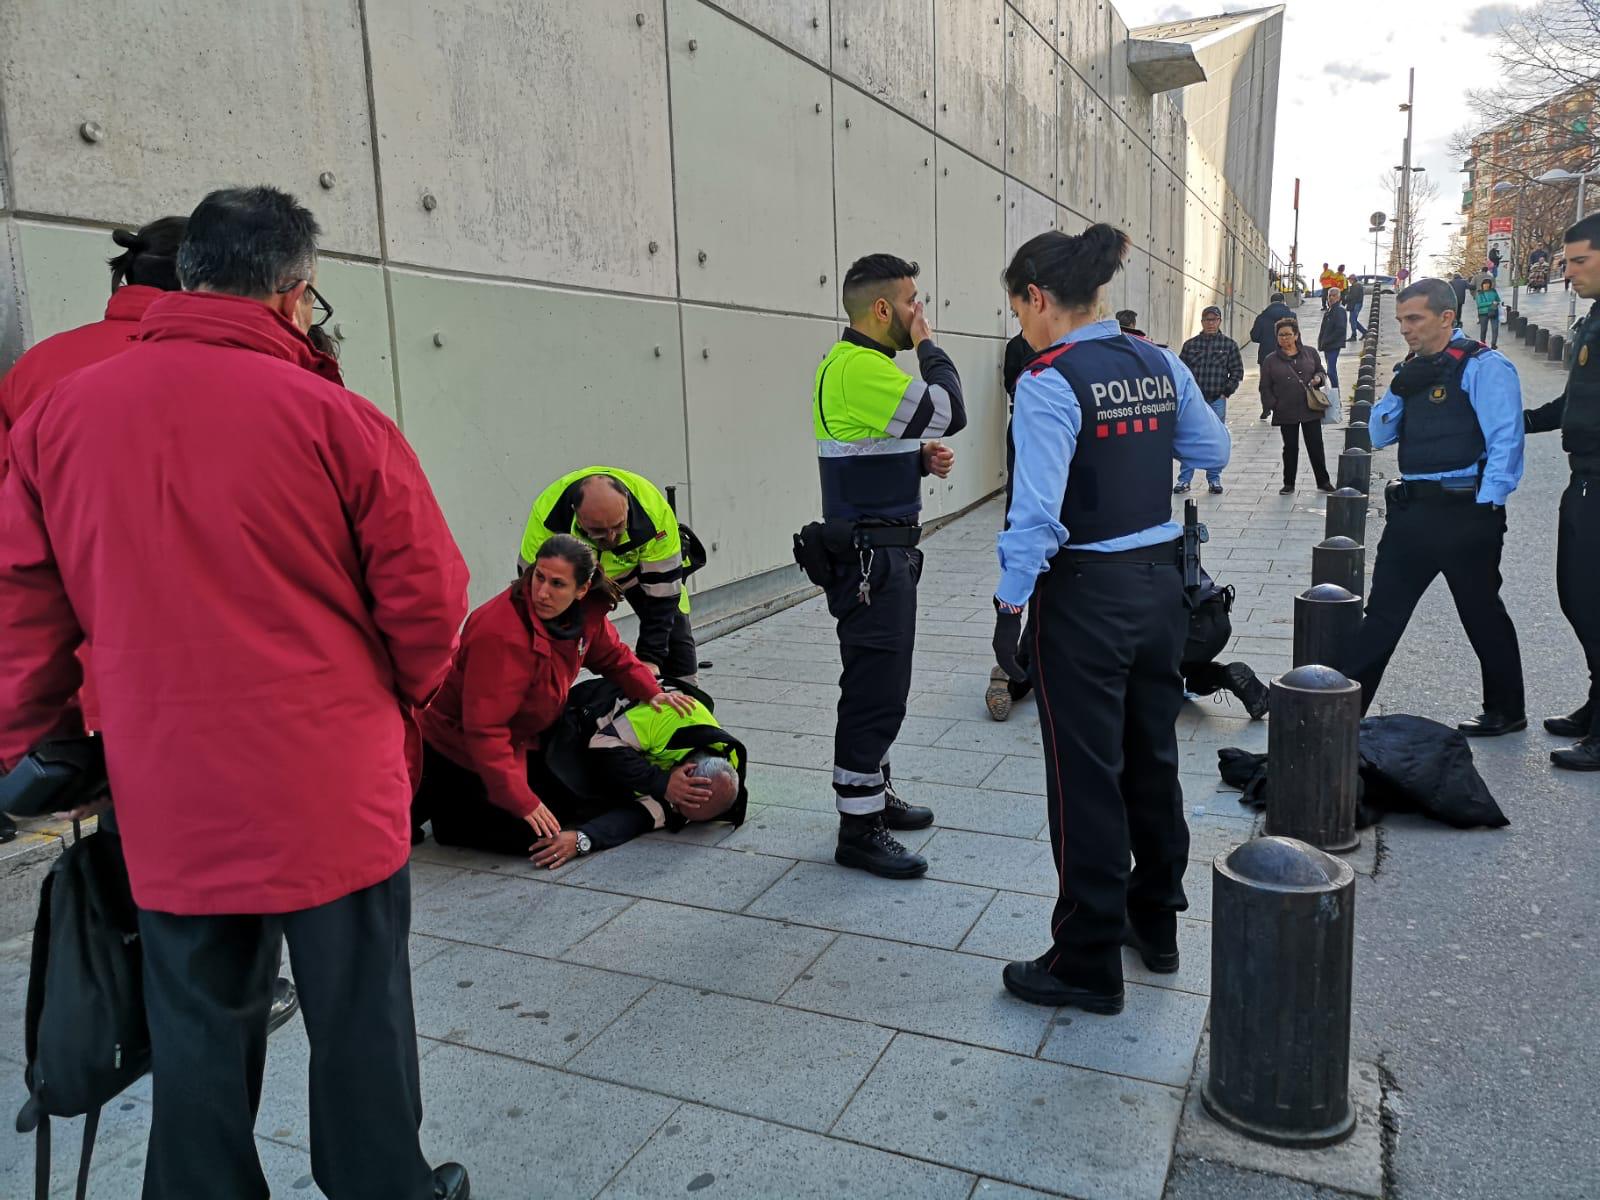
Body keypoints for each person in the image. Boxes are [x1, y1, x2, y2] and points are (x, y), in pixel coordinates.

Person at [0, 186, 472, 1200]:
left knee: (198, 1020)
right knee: (360, 1015)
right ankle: (384, 1184)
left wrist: (35, 745)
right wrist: (396, 695)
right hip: (331, 776)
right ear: (295, 296)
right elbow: (429, 599)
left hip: (165, 781)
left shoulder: (57, 419)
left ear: (186, 275)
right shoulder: (339, 420)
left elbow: (23, 609)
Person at [992, 225, 1229, 1014]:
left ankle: (1086, 958)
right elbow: (1214, 448)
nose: (1021, 327)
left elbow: (1035, 513)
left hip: (1087, 595)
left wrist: (1010, 602)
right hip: (1161, 588)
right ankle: (1153, 921)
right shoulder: (1155, 359)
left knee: (1085, 775)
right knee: (1150, 755)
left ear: (1037, 298)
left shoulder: (1049, 379)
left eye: (1018, 309)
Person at [806, 253, 965, 877]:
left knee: (883, 683)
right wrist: (929, 344)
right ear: (882, 309)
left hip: (881, 552)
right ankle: (859, 828)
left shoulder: (858, 368)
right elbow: (950, 407)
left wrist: (915, 458)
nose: (918, 312)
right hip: (872, 559)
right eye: (912, 302)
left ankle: (873, 790)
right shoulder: (859, 367)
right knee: (875, 691)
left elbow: (862, 445)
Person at [413, 535, 702, 856]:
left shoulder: (586, 614)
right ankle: (441, 811)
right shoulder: (499, 633)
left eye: (557, 584)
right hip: (456, 745)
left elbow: (613, 657)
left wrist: (651, 692)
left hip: (523, 735)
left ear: (582, 590)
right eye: (539, 577)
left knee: (564, 805)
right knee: (529, 835)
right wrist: (522, 800)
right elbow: (485, 731)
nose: (542, 592)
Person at [1344, 278, 1526, 735]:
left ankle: (1507, 709)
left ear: (1446, 317)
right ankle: (1343, 712)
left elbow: (1506, 439)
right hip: (1412, 513)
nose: (1405, 328)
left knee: (1480, 611)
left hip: (1466, 510)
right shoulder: (1413, 368)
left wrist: (1488, 505)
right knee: (1383, 614)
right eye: (1402, 319)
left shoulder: (1485, 367)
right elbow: (1379, 435)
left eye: (1414, 319)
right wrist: (1400, 390)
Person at [1523, 213, 1600, 769]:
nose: (1568, 273)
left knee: (1590, 600)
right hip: (1585, 477)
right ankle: (1598, 706)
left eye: (1579, 261)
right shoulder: (1594, 319)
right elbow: (1574, 403)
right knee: (1578, 598)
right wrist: (1512, 421)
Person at [529, 682, 748, 866]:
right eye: (679, 805)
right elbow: (601, 743)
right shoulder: (670, 717)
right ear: (688, 771)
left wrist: (582, 839)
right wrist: (662, 783)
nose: (673, 810)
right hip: (575, 721)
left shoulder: (723, 774)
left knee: (548, 828)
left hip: (608, 759)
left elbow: (641, 817)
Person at [520, 467, 701, 683]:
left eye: (618, 526)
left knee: (677, 646)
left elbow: (663, 598)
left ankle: (689, 705)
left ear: (625, 502)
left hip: (638, 574)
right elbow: (535, 590)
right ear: (577, 516)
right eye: (598, 531)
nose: (611, 536)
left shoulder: (654, 513)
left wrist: (650, 659)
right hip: (577, 579)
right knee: (552, 650)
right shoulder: (549, 518)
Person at [988, 332, 1041, 721]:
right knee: (1021, 503)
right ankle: (1014, 667)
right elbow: (1012, 381)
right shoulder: (1017, 348)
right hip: (1024, 420)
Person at [1173, 305, 1243, 494]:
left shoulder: (1229, 345)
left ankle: (1214, 479)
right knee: (1189, 437)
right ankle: (1184, 480)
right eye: (1207, 320)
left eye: (1214, 320)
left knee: (1215, 439)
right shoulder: (1190, 345)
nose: (1210, 323)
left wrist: (1226, 391)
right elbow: (1181, 370)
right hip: (1193, 402)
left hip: (1216, 399)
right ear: (1202, 322)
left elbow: (1237, 371)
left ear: (1220, 321)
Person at [1260, 318, 1334, 494]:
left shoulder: (1310, 353)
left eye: (1288, 334)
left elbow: (1321, 371)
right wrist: (1272, 404)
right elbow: (1265, 386)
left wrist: (1318, 378)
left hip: (1310, 407)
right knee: (1290, 447)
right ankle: (1289, 483)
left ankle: (1323, 481)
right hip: (1285, 410)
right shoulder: (1270, 360)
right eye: (1280, 335)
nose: (1284, 338)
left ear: (1296, 335)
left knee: (1316, 445)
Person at [1248, 291, 1297, 417]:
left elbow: (1254, 336)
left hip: (1265, 354)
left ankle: (1266, 408)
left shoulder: (1262, 317)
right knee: (1285, 381)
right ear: (1283, 301)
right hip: (1286, 352)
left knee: (1266, 383)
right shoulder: (1291, 316)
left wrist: (1265, 338)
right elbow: (1296, 336)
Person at [1317, 286, 1347, 412]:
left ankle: (1336, 397)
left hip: (1333, 345)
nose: (1331, 298)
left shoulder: (1339, 310)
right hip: (1328, 345)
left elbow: (1340, 329)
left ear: (1339, 297)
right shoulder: (1330, 310)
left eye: (1334, 295)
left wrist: (1327, 340)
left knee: (1331, 371)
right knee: (1330, 370)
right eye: (1329, 295)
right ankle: (1333, 396)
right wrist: (1321, 342)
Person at [1474, 277, 1501, 348]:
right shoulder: (1479, 293)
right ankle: (1482, 343)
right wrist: (1491, 302)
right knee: (1483, 329)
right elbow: (1479, 304)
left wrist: (1497, 303)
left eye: (1488, 284)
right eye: (1485, 284)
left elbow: (1498, 300)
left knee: (1495, 328)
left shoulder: (1493, 291)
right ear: (1482, 285)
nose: (1486, 285)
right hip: (1483, 313)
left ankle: (1493, 344)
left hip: (1493, 311)